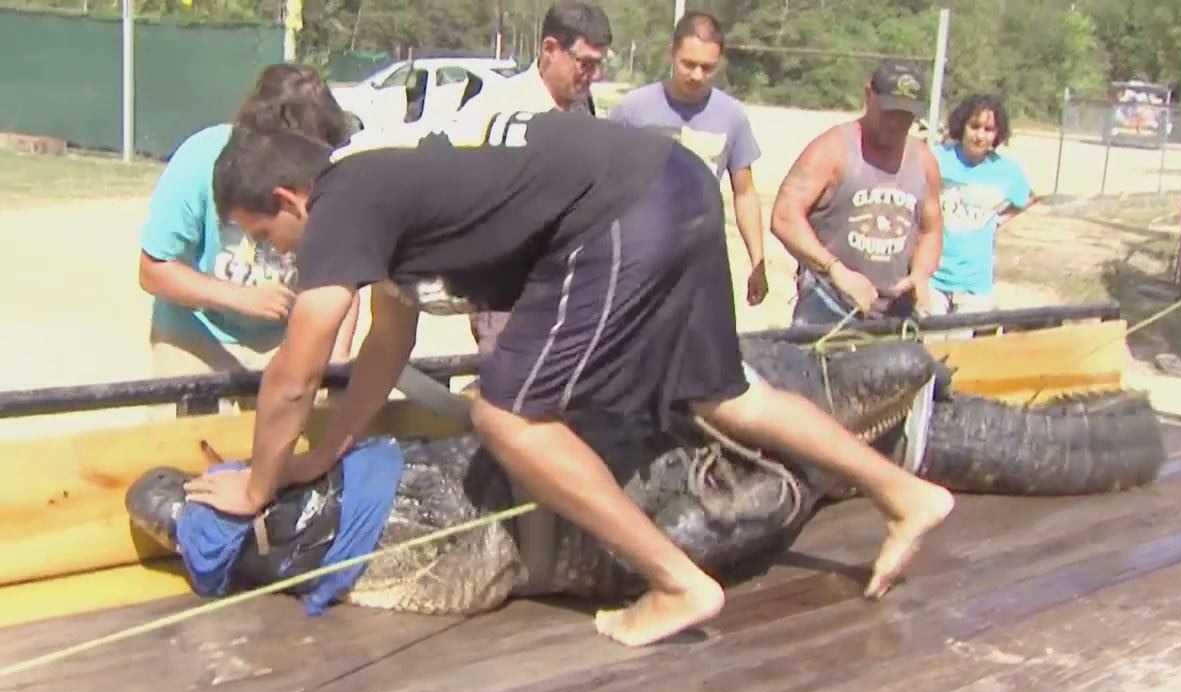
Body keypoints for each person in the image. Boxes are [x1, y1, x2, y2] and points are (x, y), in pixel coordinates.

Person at [187, 110, 955, 647]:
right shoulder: (385, 188)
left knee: (508, 417)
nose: (283, 254)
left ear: (289, 200)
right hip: (678, 184)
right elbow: (389, 340)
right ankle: (907, 495)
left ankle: (677, 584)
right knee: (725, 396)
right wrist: (328, 450)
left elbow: (295, 370)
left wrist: (257, 487)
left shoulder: (341, 201)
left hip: (619, 210)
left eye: (268, 235)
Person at [137, 63, 359, 417]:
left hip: (291, 341)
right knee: (184, 456)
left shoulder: (334, 172)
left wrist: (335, 359)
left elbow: (346, 273)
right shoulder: (201, 157)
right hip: (198, 338)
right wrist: (240, 298)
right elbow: (154, 269)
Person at [443, 1, 613, 356]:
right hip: (508, 294)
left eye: (600, 65)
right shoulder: (498, 109)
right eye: (585, 63)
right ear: (550, 49)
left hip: (567, 288)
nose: (593, 75)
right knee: (508, 398)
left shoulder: (583, 106)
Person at [609, 11, 768, 306]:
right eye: (688, 64)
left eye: (707, 67)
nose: (697, 75)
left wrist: (758, 261)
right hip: (639, 257)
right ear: (672, 54)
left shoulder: (732, 117)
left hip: (701, 260)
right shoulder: (632, 110)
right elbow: (603, 184)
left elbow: (744, 193)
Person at [770, 60, 943, 326]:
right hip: (828, 305)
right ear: (868, 96)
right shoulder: (832, 149)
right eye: (889, 111)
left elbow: (931, 230)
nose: (896, 123)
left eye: (906, 115)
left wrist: (921, 273)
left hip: (895, 313)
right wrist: (835, 269)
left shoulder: (923, 159)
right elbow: (784, 217)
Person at [929, 94, 1036, 317]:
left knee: (964, 349)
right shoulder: (937, 158)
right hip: (933, 278)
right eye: (974, 127)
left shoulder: (1007, 171)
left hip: (975, 285)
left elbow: (1028, 197)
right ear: (962, 126)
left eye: (988, 129)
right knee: (932, 347)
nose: (980, 136)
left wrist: (999, 219)